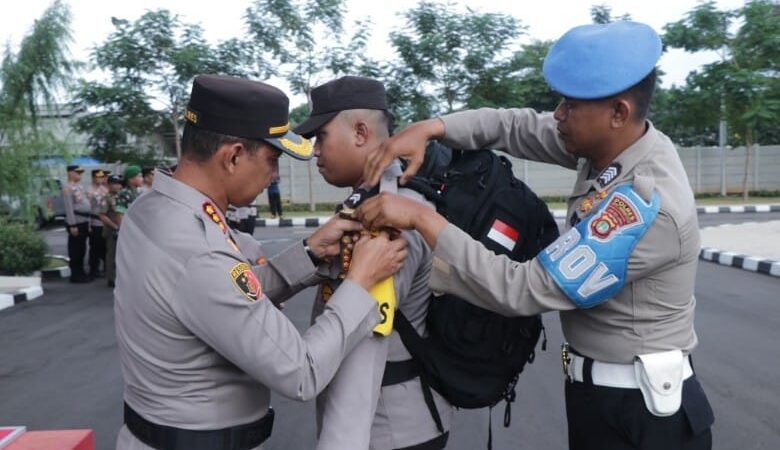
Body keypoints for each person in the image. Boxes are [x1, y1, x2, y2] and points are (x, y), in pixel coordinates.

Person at [359, 21, 714, 450]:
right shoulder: (613, 147)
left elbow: (525, 288)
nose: (558, 116)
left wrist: (422, 218)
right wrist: (432, 128)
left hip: (640, 415)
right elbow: (513, 127)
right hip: (598, 395)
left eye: (570, 106)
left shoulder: (646, 206)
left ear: (618, 112)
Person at [114, 74, 408, 450]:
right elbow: (301, 372)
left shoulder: (151, 209)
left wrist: (308, 255)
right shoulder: (198, 248)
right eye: (272, 160)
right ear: (233, 156)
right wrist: (360, 282)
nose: (273, 175)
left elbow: (219, 297)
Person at [293, 75, 453, 450]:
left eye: (322, 137)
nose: (315, 151)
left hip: (387, 431)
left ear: (361, 132)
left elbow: (364, 350)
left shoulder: (390, 216)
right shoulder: (375, 201)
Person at [62, 164, 92, 283]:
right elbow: (69, 208)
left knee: (82, 248)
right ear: (70, 173)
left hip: (84, 221)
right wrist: (72, 225)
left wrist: (88, 223)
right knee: (75, 250)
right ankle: (75, 274)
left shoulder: (79, 187)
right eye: (77, 172)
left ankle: (81, 272)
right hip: (76, 222)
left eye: (80, 173)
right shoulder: (67, 188)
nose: (79, 175)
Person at [98, 174, 123, 288]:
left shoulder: (122, 197)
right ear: (109, 185)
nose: (117, 186)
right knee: (112, 255)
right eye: (114, 183)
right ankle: (111, 278)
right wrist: (114, 226)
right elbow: (102, 215)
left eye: (119, 183)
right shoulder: (106, 198)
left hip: (123, 230)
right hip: (112, 230)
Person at [88, 169, 110, 278]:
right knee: (94, 248)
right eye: (98, 177)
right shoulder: (89, 191)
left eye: (102, 177)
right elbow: (88, 209)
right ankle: (93, 269)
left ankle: (106, 268)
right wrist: (88, 225)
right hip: (94, 221)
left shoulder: (104, 190)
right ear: (93, 178)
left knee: (104, 247)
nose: (100, 179)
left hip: (104, 223)